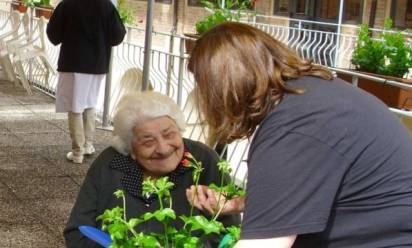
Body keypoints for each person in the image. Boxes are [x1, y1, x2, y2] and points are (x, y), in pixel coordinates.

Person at [186, 22, 412, 247]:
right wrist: (237, 204)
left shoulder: (294, 127)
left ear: (222, 89)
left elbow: (263, 245)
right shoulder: (310, 94)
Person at [64, 91, 240, 247]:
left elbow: (230, 231)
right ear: (131, 149)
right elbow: (77, 231)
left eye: (169, 134)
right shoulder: (110, 164)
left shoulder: (202, 161)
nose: (163, 148)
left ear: (180, 130)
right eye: (148, 141)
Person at [46, 0, 126, 164]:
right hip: (97, 63)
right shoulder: (106, 5)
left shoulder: (67, 4)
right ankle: (88, 145)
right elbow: (118, 35)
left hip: (73, 62)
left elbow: (53, 34)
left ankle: (77, 152)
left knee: (75, 106)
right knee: (89, 103)